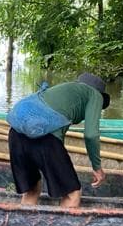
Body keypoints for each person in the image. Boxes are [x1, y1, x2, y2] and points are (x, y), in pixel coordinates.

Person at [7, 73, 109, 208]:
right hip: (46, 138)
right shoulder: (95, 95)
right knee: (72, 195)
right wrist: (97, 168)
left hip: (15, 134)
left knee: (32, 190)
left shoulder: (64, 89)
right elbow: (91, 134)